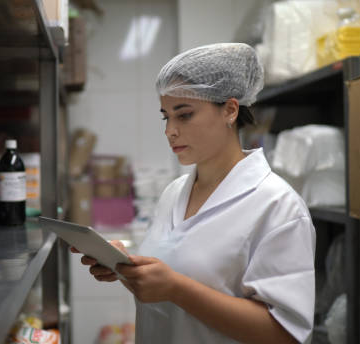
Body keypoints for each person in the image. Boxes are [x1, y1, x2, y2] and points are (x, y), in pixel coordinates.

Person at [73, 43, 316, 344]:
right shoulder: (174, 194)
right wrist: (126, 268)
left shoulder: (278, 206)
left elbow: (285, 334)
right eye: (166, 117)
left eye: (184, 115)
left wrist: (176, 288)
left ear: (229, 110)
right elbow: (170, 279)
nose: (170, 131)